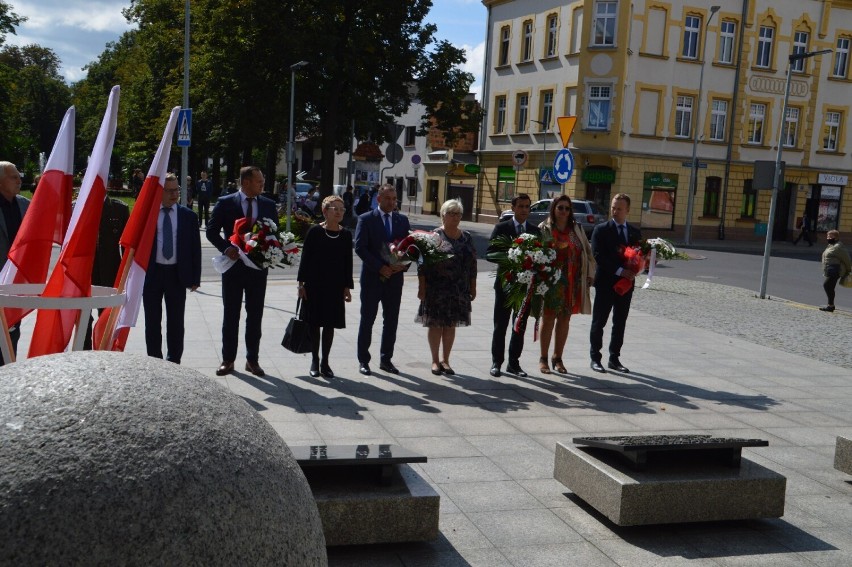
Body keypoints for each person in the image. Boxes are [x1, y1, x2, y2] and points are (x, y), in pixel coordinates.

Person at [206, 166, 277, 377]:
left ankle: (252, 360)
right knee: (231, 314)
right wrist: (226, 248)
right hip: (233, 268)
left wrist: (271, 249)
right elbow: (211, 231)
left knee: (255, 315)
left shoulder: (268, 204)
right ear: (246, 182)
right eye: (259, 182)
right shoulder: (226, 203)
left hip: (257, 270)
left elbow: (275, 233)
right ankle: (228, 360)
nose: (262, 186)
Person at [143, 173, 201, 363]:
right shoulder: (147, 215)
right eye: (169, 191)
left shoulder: (188, 217)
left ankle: (174, 362)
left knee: (176, 323)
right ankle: (154, 361)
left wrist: (195, 278)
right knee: (152, 322)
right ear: (159, 192)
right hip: (153, 275)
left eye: (177, 189)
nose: (174, 194)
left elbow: (195, 249)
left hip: (177, 275)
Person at [354, 183, 411, 375]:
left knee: (391, 320)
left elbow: (410, 249)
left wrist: (403, 265)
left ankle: (386, 359)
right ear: (378, 199)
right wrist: (381, 267)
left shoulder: (402, 221)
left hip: (394, 280)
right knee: (368, 319)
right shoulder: (366, 219)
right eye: (388, 198)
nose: (392, 202)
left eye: (394, 199)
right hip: (372, 278)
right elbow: (360, 248)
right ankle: (363, 360)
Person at [416, 199, 477, 376]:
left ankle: (446, 360)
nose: (455, 217)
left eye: (458, 214)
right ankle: (435, 360)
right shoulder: (434, 237)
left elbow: (472, 265)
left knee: (450, 325)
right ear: (443, 215)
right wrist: (422, 287)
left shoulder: (466, 237)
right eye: (451, 213)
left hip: (458, 288)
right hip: (436, 288)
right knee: (435, 324)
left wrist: (473, 287)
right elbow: (422, 264)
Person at [297, 195, 354, 377]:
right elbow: (305, 260)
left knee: (330, 325)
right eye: (335, 209)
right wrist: (301, 284)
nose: (339, 212)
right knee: (314, 324)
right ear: (324, 212)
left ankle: (325, 362)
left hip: (335, 286)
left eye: (342, 209)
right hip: (314, 285)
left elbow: (348, 263)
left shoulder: (345, 235)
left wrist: (347, 287)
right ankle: (314, 360)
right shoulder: (314, 232)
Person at [537, 195, 594, 375]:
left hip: (572, 282)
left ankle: (558, 357)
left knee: (565, 319)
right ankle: (543, 358)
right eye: (560, 207)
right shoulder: (544, 228)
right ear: (553, 209)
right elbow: (536, 254)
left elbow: (587, 252)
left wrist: (590, 274)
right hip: (551, 283)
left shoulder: (576, 229)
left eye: (567, 208)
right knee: (548, 319)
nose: (563, 211)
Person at [487, 193, 540, 377]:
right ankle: (496, 362)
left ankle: (514, 363)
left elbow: (541, 256)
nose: (524, 210)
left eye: (527, 206)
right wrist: (512, 258)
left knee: (519, 326)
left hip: (524, 288)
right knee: (500, 325)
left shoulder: (534, 231)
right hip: (505, 285)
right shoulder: (502, 228)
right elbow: (490, 253)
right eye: (521, 206)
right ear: (513, 207)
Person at [589, 193, 642, 374]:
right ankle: (595, 358)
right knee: (599, 322)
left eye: (619, 208)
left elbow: (640, 255)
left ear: (627, 210)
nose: (615, 211)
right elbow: (598, 256)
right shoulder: (601, 230)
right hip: (605, 283)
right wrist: (620, 271)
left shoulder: (635, 233)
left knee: (620, 322)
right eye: (613, 207)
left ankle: (614, 358)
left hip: (626, 285)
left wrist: (642, 266)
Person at [84, 195, 130, 350]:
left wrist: (128, 272)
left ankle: (104, 351)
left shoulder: (119, 208)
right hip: (84, 272)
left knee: (107, 316)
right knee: (83, 315)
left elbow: (127, 246)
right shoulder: (77, 207)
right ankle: (84, 353)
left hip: (110, 271)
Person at [0, 161, 29, 364]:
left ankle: (9, 371)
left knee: (13, 327)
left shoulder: (26, 205)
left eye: (19, 176)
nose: (19, 180)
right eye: (14, 177)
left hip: (16, 278)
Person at [819, 229, 851, 312]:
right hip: (830, 269)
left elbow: (846, 259)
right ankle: (831, 305)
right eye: (828, 236)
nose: (828, 238)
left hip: (836, 270)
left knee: (827, 285)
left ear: (836, 237)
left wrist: (849, 269)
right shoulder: (831, 245)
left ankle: (831, 305)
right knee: (830, 287)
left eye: (831, 236)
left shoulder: (838, 247)